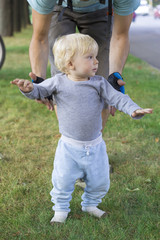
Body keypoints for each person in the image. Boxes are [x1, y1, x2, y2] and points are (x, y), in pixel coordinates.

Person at [11, 33, 152, 224]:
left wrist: (134, 109)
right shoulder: (58, 82)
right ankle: (60, 209)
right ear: (70, 64)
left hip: (95, 146)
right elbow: (39, 90)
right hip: (69, 148)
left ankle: (90, 204)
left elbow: (118, 98)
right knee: (62, 181)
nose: (96, 61)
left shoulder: (99, 83)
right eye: (90, 57)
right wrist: (28, 89)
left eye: (95, 56)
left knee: (100, 181)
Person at [27, 0, 140, 128]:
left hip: (100, 10)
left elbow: (120, 36)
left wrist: (114, 75)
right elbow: (40, 37)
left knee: (103, 83)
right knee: (62, 79)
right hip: (59, 7)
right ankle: (70, 140)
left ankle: (94, 141)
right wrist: (39, 82)